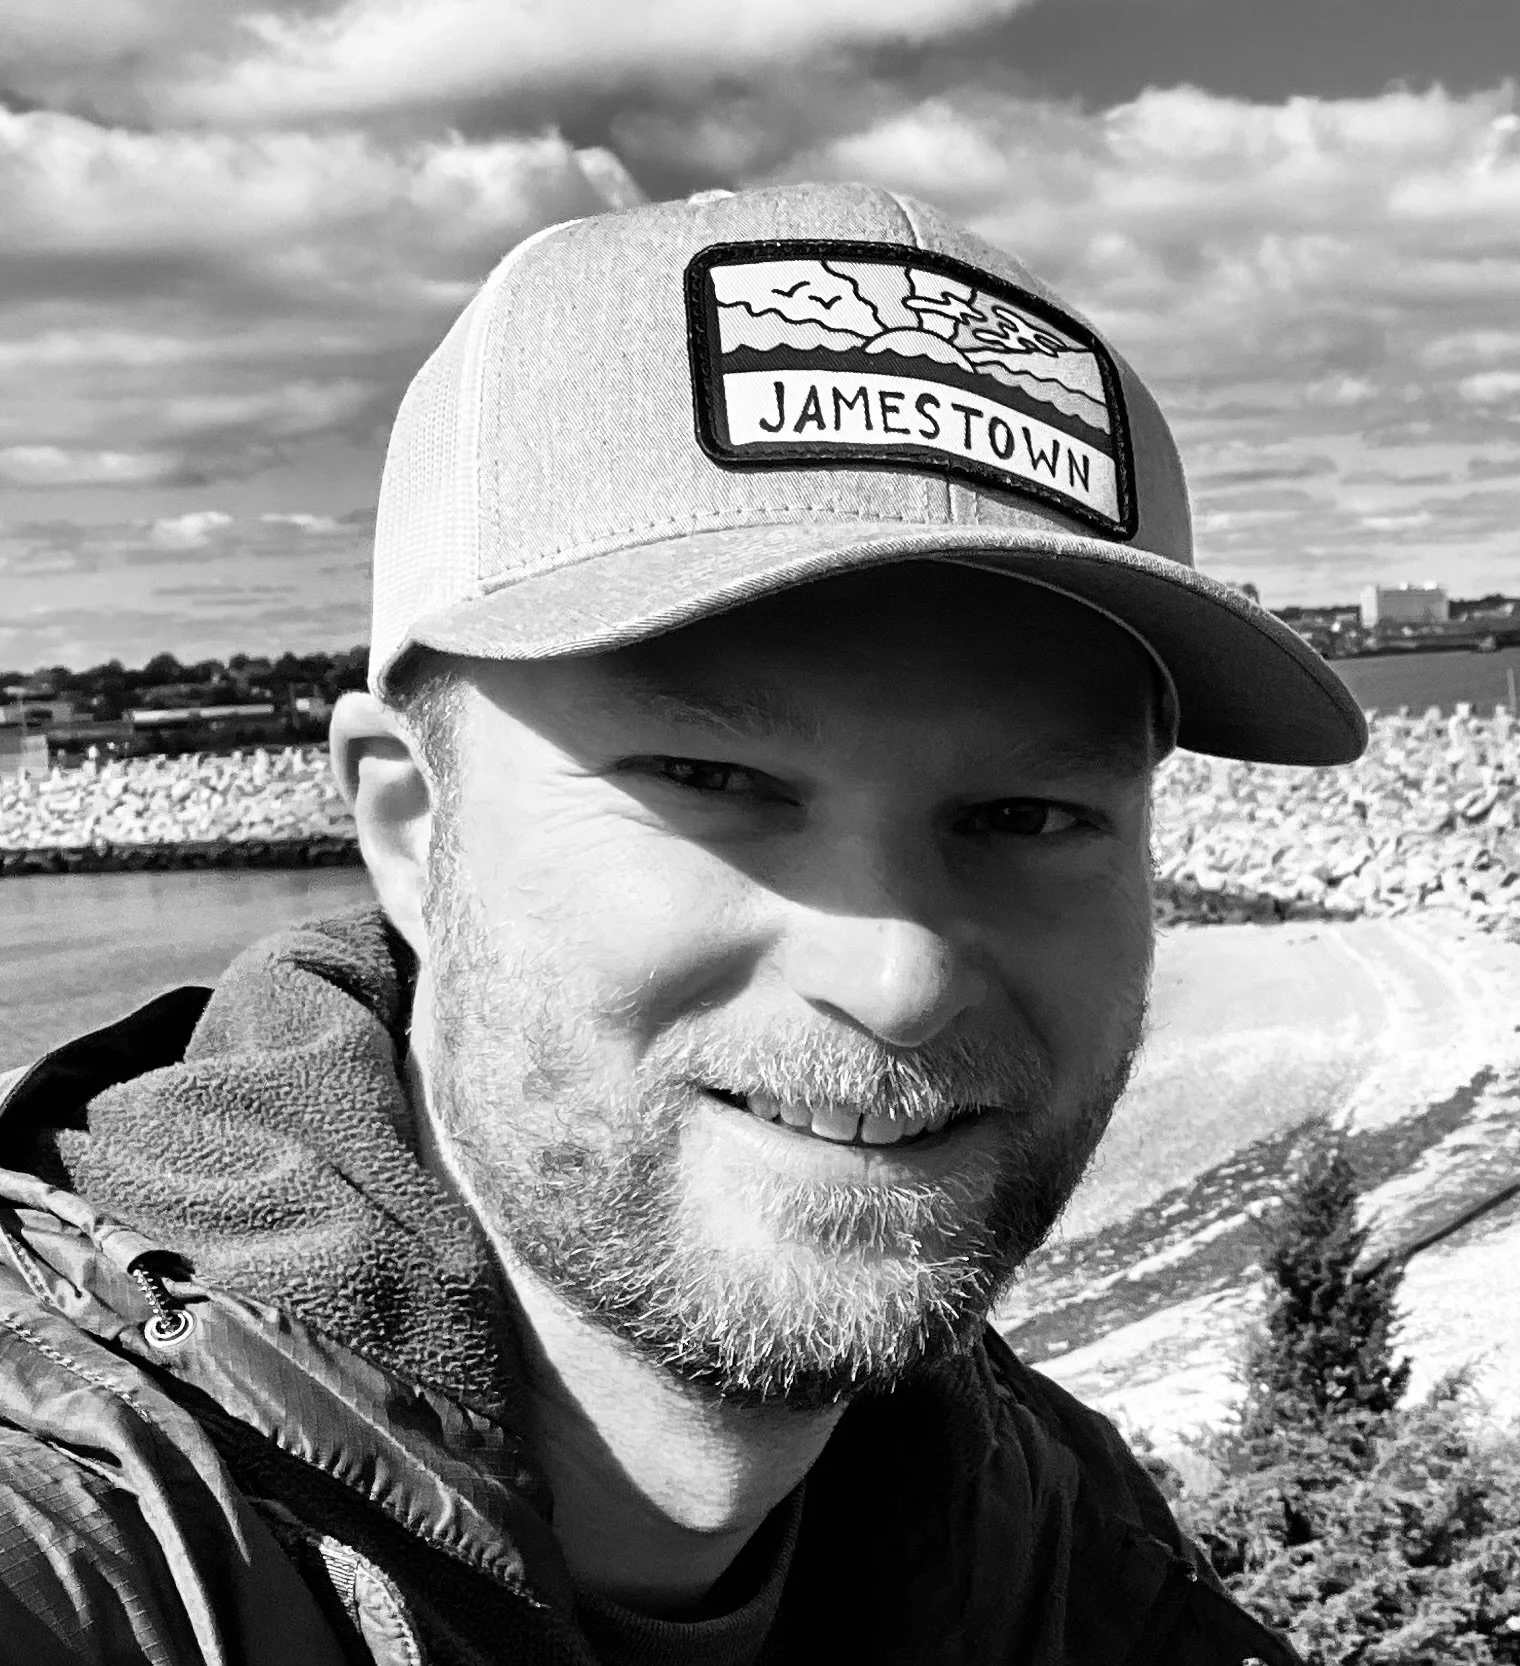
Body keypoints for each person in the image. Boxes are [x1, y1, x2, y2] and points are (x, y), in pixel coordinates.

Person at [0, 183, 1365, 1665]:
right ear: (412, 826)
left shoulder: (1036, 1528)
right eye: (715, 779)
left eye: (1029, 815)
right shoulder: (89, 1543)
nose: (900, 974)